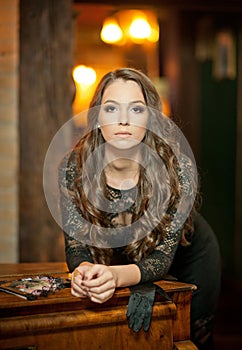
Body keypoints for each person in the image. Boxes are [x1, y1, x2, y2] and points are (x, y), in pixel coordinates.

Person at [58, 67, 221, 349]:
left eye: (136, 109)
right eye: (111, 109)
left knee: (190, 339)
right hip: (125, 261)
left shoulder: (177, 169)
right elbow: (77, 247)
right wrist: (83, 272)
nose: (123, 120)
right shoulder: (73, 168)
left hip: (188, 259)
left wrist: (116, 275)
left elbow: (160, 260)